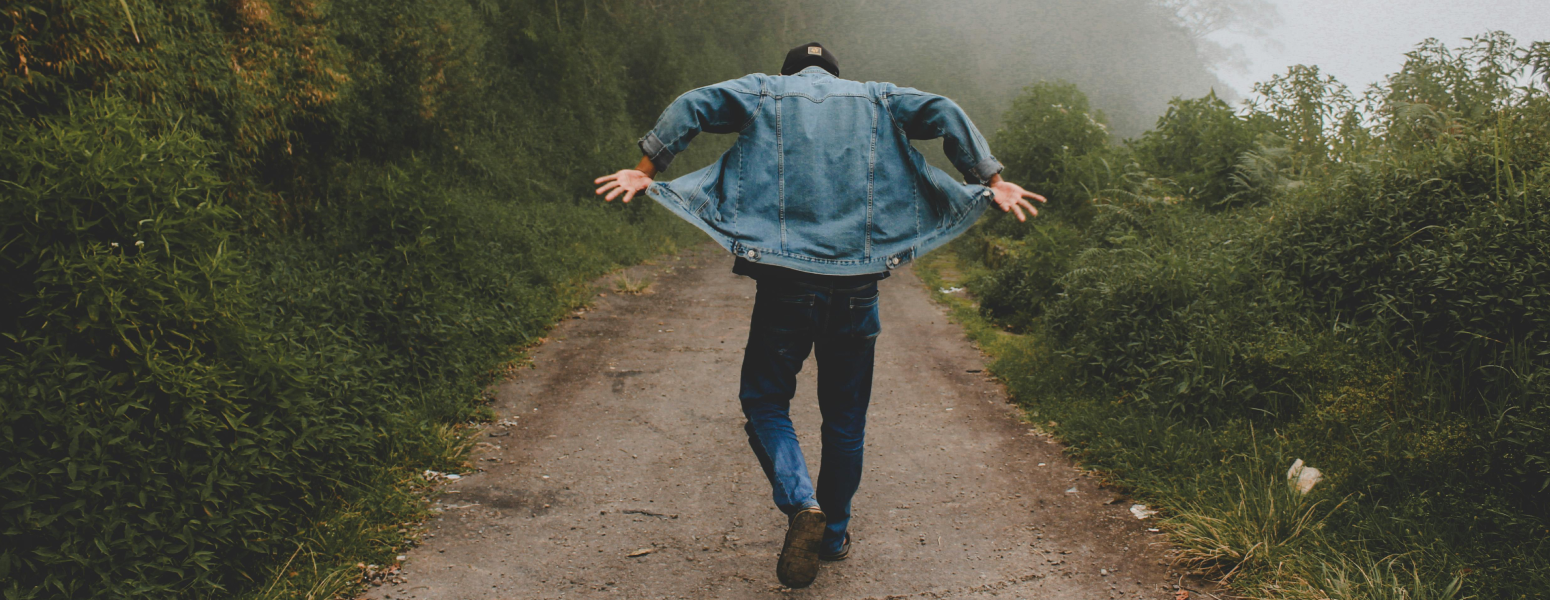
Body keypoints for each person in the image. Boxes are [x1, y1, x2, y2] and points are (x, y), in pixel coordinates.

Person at [593, 42, 1044, 588]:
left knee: (765, 401)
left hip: (785, 287)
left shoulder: (764, 90)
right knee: (845, 423)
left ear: (792, 73)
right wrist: (991, 179)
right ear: (836, 73)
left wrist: (646, 169)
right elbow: (946, 110)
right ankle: (832, 536)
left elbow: (694, 104)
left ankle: (801, 500)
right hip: (857, 291)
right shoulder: (878, 98)